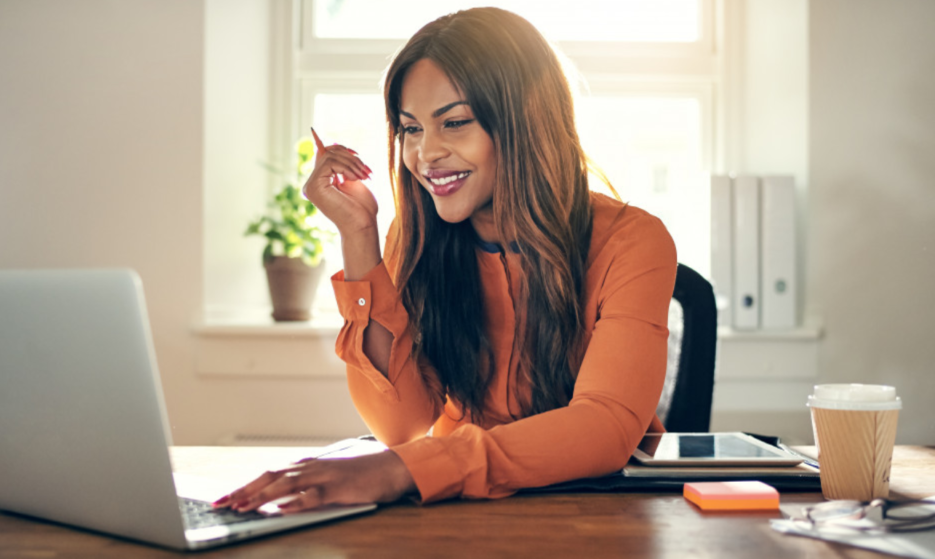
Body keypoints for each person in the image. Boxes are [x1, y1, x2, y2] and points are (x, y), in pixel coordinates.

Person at [214, 7, 677, 514]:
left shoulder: (633, 241)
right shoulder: (413, 238)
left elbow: (604, 426)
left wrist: (406, 470)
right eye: (411, 129)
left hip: (594, 516)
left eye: (453, 123)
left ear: (525, 121)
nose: (426, 154)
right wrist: (358, 235)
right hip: (460, 511)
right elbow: (400, 426)